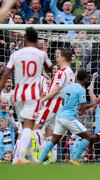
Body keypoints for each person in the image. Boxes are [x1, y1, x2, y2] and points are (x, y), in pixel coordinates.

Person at [0, 27, 52, 164]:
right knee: (29, 127)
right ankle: (19, 158)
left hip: (18, 95)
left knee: (24, 128)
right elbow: (50, 68)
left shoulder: (16, 54)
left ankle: (31, 159)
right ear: (36, 41)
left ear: (24, 40)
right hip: (32, 95)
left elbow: (6, 74)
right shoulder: (40, 54)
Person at [38, 70, 100, 165]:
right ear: (85, 79)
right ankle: (74, 159)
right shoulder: (81, 89)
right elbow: (83, 107)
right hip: (68, 118)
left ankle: (39, 161)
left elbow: (63, 102)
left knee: (53, 140)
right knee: (88, 137)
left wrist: (75, 108)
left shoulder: (68, 87)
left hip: (60, 117)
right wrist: (95, 103)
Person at [33, 49, 75, 157]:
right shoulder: (71, 73)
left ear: (63, 58)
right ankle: (52, 158)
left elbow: (55, 91)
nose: (57, 58)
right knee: (51, 133)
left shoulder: (61, 72)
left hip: (53, 104)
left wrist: (42, 100)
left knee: (35, 127)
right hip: (62, 106)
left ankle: (44, 154)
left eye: (58, 56)